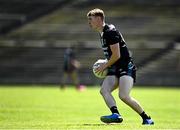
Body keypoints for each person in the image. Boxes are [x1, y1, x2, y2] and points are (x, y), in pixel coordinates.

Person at [87, 8, 154, 125]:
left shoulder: (110, 32)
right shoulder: (103, 33)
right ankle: (116, 114)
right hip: (115, 67)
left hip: (126, 66)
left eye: (90, 19)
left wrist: (104, 65)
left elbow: (117, 55)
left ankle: (147, 118)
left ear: (99, 19)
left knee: (123, 96)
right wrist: (106, 63)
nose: (89, 23)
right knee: (104, 90)